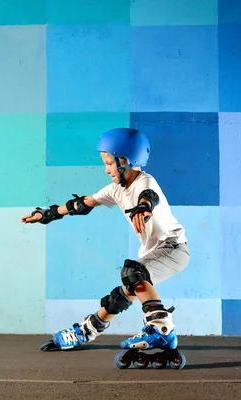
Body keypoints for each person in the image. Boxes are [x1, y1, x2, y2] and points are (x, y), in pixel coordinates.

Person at [21, 127, 190, 353]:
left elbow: (149, 197)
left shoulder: (145, 183)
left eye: (109, 163)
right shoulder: (115, 190)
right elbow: (82, 204)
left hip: (174, 248)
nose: (106, 170)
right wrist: (48, 214)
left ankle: (162, 330)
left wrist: (143, 208)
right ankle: (86, 331)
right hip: (156, 252)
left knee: (133, 273)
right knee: (121, 295)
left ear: (125, 161)